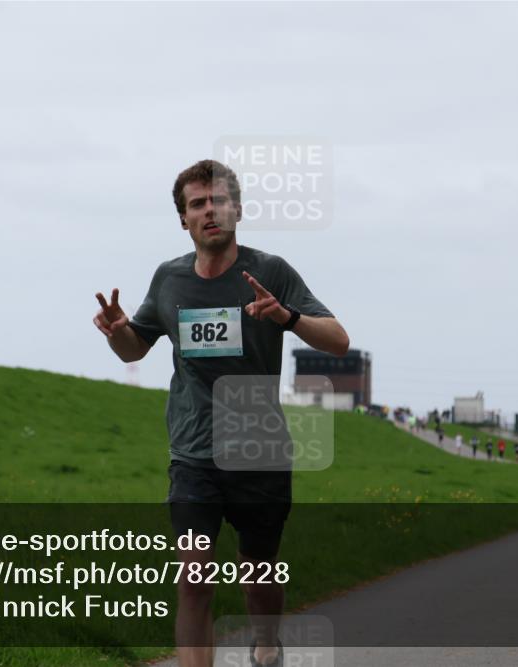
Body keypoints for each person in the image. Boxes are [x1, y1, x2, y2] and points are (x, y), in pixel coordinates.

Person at [93, 159, 348, 667]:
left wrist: (288, 317)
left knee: (258, 579)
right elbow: (134, 350)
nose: (209, 211)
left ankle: (267, 645)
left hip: (259, 453)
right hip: (193, 455)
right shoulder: (168, 280)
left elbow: (339, 340)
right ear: (183, 219)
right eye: (197, 204)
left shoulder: (270, 271)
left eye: (218, 201)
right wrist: (118, 329)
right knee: (194, 578)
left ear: (237, 209)